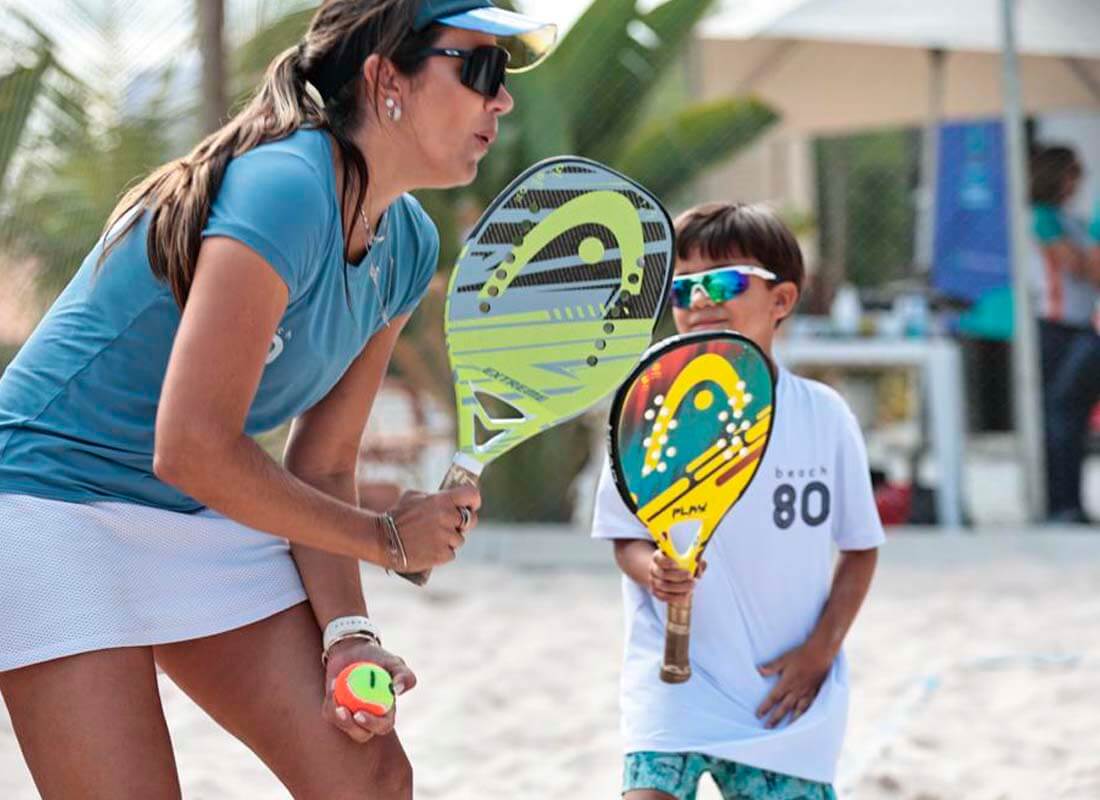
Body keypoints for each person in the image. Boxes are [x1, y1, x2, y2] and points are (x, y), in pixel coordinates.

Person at [0, 1, 556, 797]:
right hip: (43, 498)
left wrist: (347, 634)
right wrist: (385, 538)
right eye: (479, 69)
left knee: (367, 778)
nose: (500, 99)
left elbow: (323, 463)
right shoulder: (285, 185)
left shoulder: (408, 242)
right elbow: (190, 445)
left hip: (188, 507)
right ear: (383, 78)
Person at [591, 203, 883, 800]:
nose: (699, 300)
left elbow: (859, 550)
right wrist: (652, 570)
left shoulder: (823, 416)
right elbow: (625, 535)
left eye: (723, 282)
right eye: (681, 287)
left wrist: (820, 652)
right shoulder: (648, 405)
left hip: (782, 696)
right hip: (673, 684)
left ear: (782, 301)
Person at [1029, 144, 1100, 524]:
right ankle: (1059, 502)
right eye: (1073, 174)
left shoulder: (1070, 219)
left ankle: (1069, 501)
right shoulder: (1042, 218)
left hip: (1080, 325)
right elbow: (1080, 268)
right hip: (1054, 326)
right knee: (1058, 417)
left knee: (1069, 419)